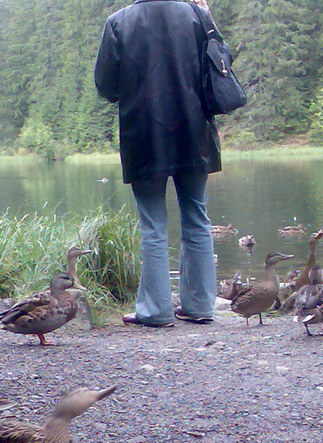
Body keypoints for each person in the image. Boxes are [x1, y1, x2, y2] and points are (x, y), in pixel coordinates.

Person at [94, 0, 221, 327]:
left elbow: (105, 86)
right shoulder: (195, 12)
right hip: (194, 132)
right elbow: (219, 66)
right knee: (197, 216)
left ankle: (155, 311)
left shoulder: (119, 22)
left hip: (144, 134)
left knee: (152, 224)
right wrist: (206, 15)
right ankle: (200, 305)